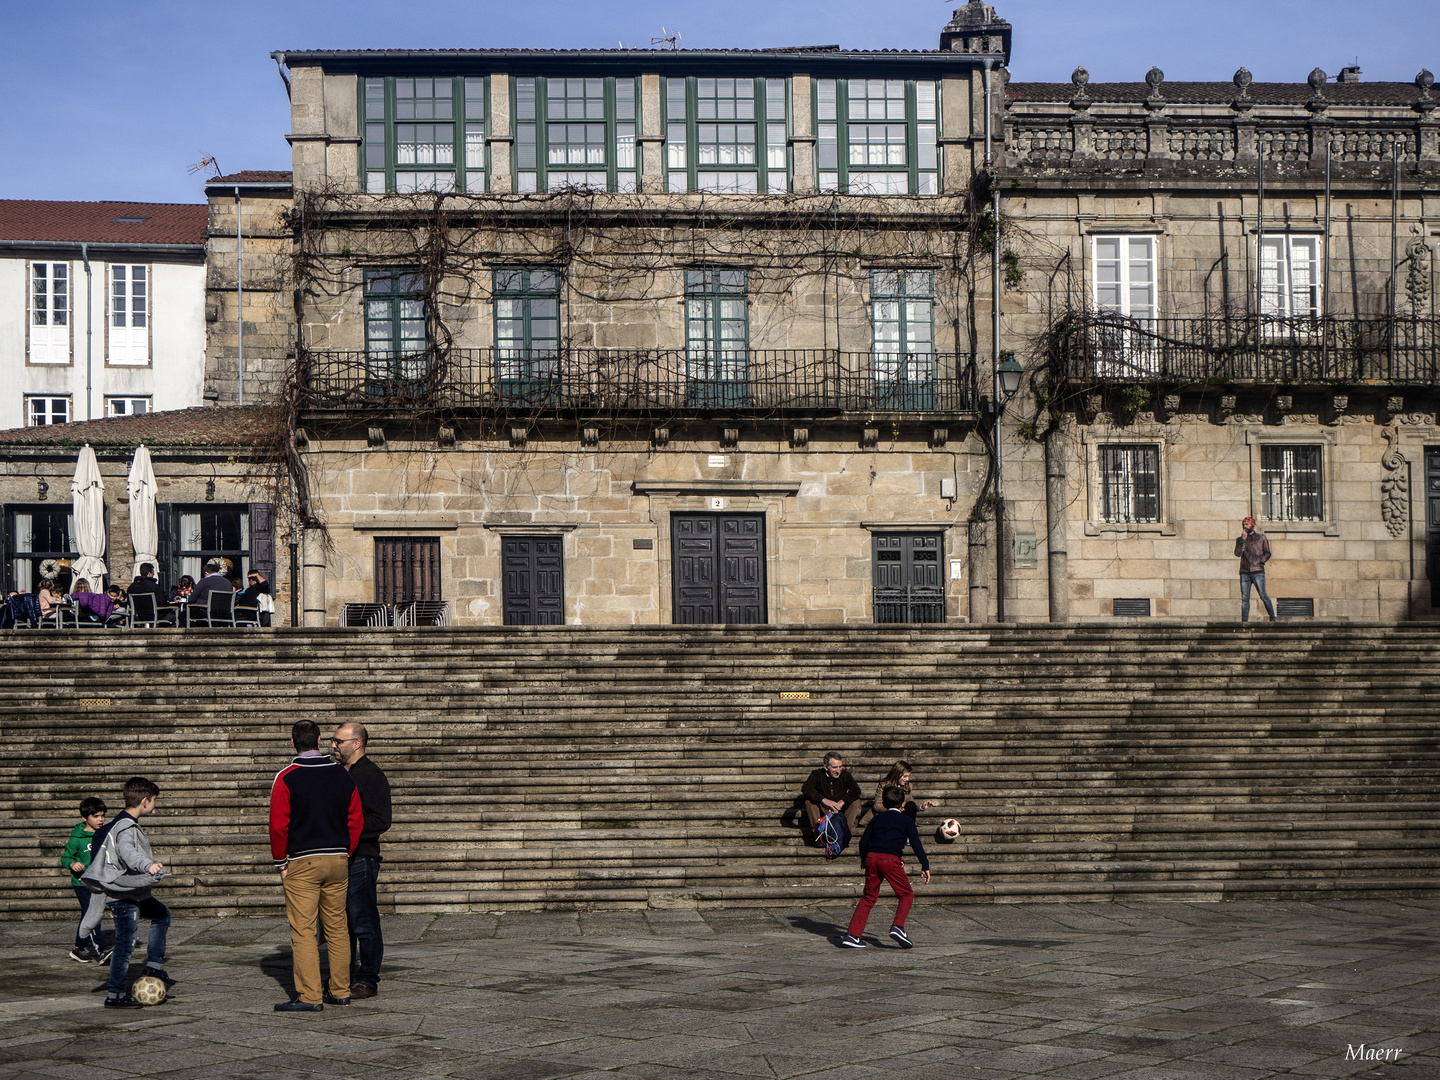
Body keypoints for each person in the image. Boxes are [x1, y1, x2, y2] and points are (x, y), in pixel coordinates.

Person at [269, 719, 363, 1012]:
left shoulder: (286, 777)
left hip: (302, 861)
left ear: (293, 742)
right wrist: (345, 853)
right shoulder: (342, 775)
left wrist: (280, 863)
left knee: (304, 931)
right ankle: (340, 990)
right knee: (336, 927)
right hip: (337, 858)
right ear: (320, 740)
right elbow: (355, 820)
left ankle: (310, 995)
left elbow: (278, 826)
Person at [85, 777, 174, 1008]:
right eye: (153, 801)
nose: (154, 805)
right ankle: (114, 995)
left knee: (162, 914)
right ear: (144, 801)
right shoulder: (125, 826)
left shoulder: (122, 822)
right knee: (125, 943)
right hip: (121, 893)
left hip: (134, 892)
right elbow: (127, 851)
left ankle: (154, 967)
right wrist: (148, 865)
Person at [331, 722, 392, 999]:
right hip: (338, 858)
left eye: (338, 741)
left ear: (356, 744)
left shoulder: (371, 775)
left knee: (363, 922)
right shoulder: (339, 773)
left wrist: (346, 829)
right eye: (333, 740)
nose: (333, 745)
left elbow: (381, 820)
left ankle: (367, 979)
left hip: (361, 858)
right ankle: (343, 976)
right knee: (341, 923)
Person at [842, 785, 931, 949]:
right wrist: (925, 865)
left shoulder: (876, 819)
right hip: (889, 859)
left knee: (868, 897)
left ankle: (852, 935)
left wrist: (864, 859)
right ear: (903, 804)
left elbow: (863, 842)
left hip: (871, 857)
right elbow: (917, 845)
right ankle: (898, 926)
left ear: (883, 802)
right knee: (906, 894)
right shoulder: (906, 821)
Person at [62, 796, 110, 964]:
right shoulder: (77, 839)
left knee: (87, 915)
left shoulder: (104, 834)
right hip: (82, 883)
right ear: (85, 818)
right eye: (96, 816)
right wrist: (73, 863)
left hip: (98, 881)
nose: (100, 819)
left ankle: (78, 948)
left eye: (102, 815)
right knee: (93, 915)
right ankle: (101, 950)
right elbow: (65, 858)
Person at [801, 752, 862, 838]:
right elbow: (806, 788)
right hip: (823, 808)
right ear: (826, 767)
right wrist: (824, 800)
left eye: (840, 766)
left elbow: (856, 789)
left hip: (840, 808)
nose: (838, 770)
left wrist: (841, 802)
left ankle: (844, 834)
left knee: (855, 801)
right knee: (809, 801)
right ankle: (819, 834)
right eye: (834, 767)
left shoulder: (845, 775)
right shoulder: (817, 774)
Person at [859, 761, 935, 825]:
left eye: (908, 776)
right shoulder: (884, 785)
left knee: (911, 805)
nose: (907, 779)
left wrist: (921, 807)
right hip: (885, 814)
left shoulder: (907, 786)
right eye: (905, 776)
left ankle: (909, 834)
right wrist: (896, 809)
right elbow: (877, 806)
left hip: (900, 815)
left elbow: (910, 805)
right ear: (897, 774)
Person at [1235, 516, 1277, 623]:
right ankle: (1244, 620)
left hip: (1257, 571)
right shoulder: (1240, 540)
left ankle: (1272, 617)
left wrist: (1261, 561)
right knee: (1245, 598)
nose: (1245, 526)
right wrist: (1242, 541)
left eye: (1247, 524)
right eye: (1243, 524)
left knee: (1263, 595)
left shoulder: (1261, 538)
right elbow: (1237, 553)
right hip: (1245, 572)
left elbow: (1268, 552)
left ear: (1252, 525)